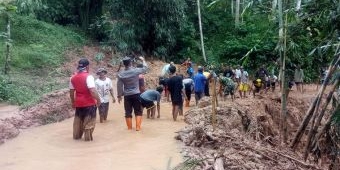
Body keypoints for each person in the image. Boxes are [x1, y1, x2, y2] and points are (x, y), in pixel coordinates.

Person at [69, 58, 101, 141]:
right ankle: (88, 142)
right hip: (89, 103)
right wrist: (98, 100)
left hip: (78, 103)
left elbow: (71, 92)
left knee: (78, 122)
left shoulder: (72, 78)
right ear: (87, 67)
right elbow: (93, 90)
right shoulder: (89, 77)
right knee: (89, 124)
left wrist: (73, 102)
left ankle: (76, 138)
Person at [117, 56, 148, 131]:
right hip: (136, 94)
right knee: (138, 111)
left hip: (127, 95)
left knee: (128, 112)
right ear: (131, 63)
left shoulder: (121, 74)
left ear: (124, 64)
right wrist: (143, 60)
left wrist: (119, 96)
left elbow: (119, 85)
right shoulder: (135, 71)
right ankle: (137, 127)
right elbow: (145, 68)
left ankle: (129, 128)